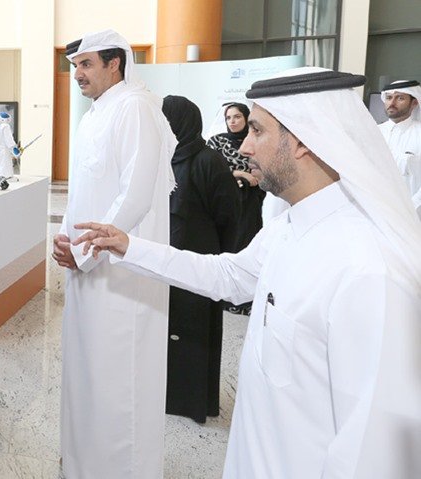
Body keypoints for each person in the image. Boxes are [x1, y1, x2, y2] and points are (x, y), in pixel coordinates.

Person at [74, 67, 421, 478]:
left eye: (257, 131)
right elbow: (228, 275)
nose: (246, 147)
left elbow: (374, 452)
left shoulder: (370, 270)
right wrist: (128, 246)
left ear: (304, 142)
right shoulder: (289, 226)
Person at [53, 30, 176, 478]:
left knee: (116, 385)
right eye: (75, 66)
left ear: (115, 64)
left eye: (86, 64)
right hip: (88, 269)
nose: (78, 73)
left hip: (121, 279)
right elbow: (84, 189)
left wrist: (84, 253)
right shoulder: (96, 114)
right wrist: (65, 239)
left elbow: (135, 197)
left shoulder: (135, 108)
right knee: (87, 379)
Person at [160, 95, 241, 424]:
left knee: (195, 331)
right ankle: (166, 395)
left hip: (200, 261)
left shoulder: (208, 160)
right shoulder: (164, 158)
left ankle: (193, 401)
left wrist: (215, 255)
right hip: (167, 261)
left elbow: (230, 215)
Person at [207, 102, 266, 314]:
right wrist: (240, 174)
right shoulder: (216, 142)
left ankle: (246, 299)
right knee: (228, 245)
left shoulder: (256, 141)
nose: (232, 121)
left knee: (248, 245)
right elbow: (211, 173)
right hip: (224, 202)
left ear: (246, 118)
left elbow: (264, 168)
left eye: (237, 117)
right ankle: (226, 297)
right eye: (228, 117)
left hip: (250, 203)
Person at [377, 79, 421, 216]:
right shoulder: (373, 132)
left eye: (400, 98)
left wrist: (409, 210)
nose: (392, 103)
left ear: (414, 103)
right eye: (389, 98)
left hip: (411, 216)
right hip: (376, 212)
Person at [0, 111, 20, 178]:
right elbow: (9, 140)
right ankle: (5, 176)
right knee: (4, 164)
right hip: (3, 149)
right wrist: (15, 150)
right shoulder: (5, 126)